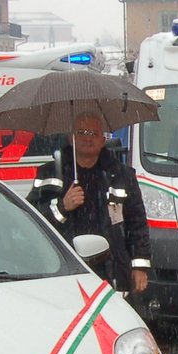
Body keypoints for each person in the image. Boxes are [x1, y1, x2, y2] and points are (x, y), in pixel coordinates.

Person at [29, 112, 151, 296]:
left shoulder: (121, 175)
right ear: (71, 138)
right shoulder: (49, 173)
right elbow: (32, 221)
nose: (88, 138)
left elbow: (137, 223)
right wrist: (63, 206)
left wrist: (140, 266)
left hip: (113, 269)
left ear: (103, 140)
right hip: (65, 267)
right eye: (82, 132)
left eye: (94, 133)